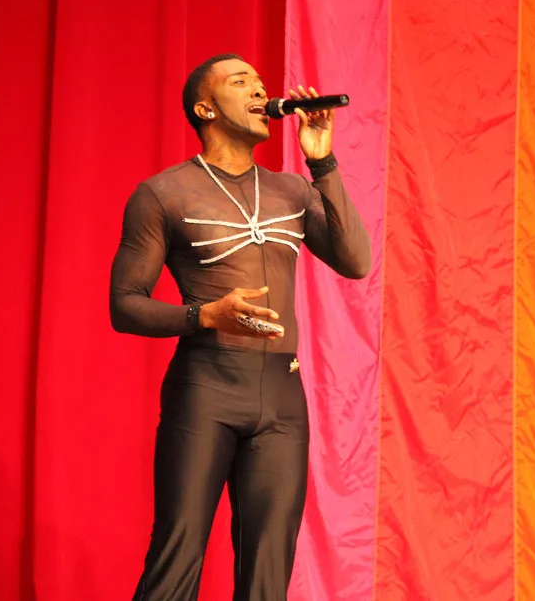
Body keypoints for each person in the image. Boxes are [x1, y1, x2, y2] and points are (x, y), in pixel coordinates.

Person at [109, 53, 370, 601]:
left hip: (282, 398)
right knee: (178, 554)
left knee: (268, 573)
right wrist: (204, 315)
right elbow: (124, 305)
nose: (258, 90)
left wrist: (322, 163)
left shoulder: (292, 191)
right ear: (205, 108)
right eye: (240, 81)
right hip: (205, 390)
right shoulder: (163, 194)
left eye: (259, 82)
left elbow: (356, 261)